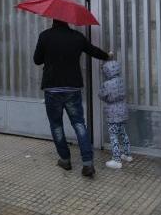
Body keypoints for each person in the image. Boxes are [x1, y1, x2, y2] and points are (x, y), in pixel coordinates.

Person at [33, 19, 110, 177]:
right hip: (72, 87)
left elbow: (37, 60)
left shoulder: (45, 36)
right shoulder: (77, 37)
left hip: (52, 88)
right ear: (67, 20)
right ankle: (88, 164)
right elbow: (93, 50)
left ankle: (65, 160)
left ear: (53, 19)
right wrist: (106, 56)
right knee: (79, 124)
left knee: (56, 125)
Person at [99, 60, 132, 169]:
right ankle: (127, 155)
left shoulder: (107, 84)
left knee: (113, 135)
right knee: (123, 133)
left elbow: (101, 95)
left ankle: (116, 160)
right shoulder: (121, 80)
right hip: (123, 110)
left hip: (113, 112)